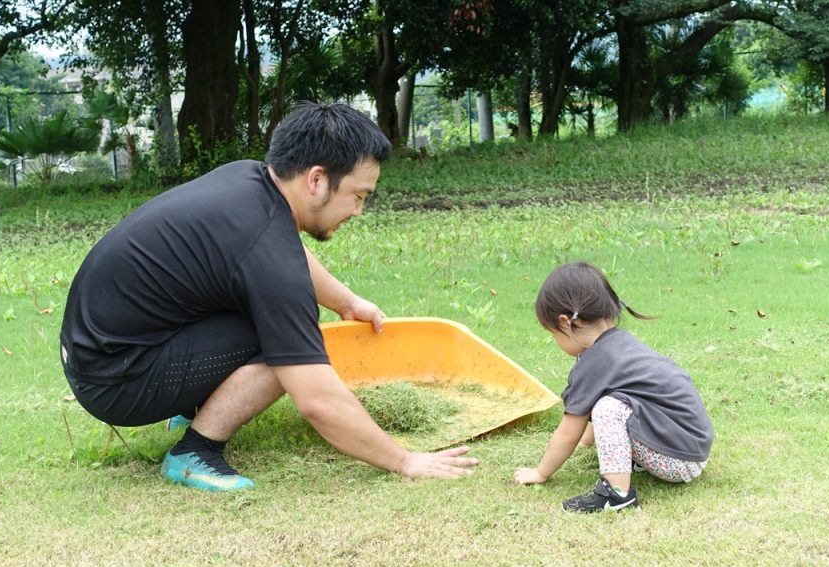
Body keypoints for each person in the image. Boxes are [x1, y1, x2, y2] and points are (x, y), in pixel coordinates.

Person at [60, 102, 478, 492]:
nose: (357, 211)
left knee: (266, 319)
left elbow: (286, 252)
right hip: (117, 381)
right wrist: (405, 461)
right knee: (284, 339)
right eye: (358, 196)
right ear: (316, 180)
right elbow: (318, 401)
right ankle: (195, 450)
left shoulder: (250, 180)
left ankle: (192, 406)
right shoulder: (267, 252)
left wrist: (348, 302)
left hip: (100, 353)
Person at [513, 261, 713, 512]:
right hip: (691, 449)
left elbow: (568, 432)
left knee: (609, 408)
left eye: (553, 334)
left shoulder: (596, 361)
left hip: (678, 460)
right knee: (612, 402)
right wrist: (589, 440)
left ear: (566, 323)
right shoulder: (619, 345)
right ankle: (629, 466)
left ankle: (617, 494)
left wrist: (540, 472)